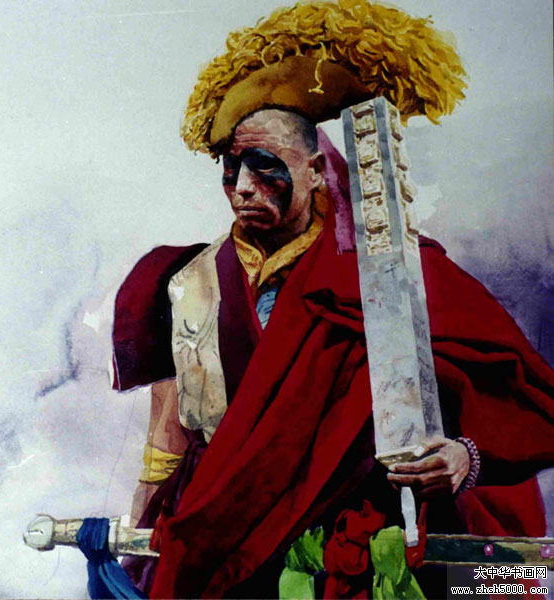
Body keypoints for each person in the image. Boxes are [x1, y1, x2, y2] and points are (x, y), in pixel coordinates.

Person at [111, 1, 554, 598]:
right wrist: (137, 549)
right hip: (227, 548)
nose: (242, 188)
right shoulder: (184, 281)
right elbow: (166, 444)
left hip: (367, 551)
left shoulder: (394, 271)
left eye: (265, 167)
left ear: (318, 170)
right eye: (231, 169)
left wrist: (463, 457)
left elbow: (523, 400)